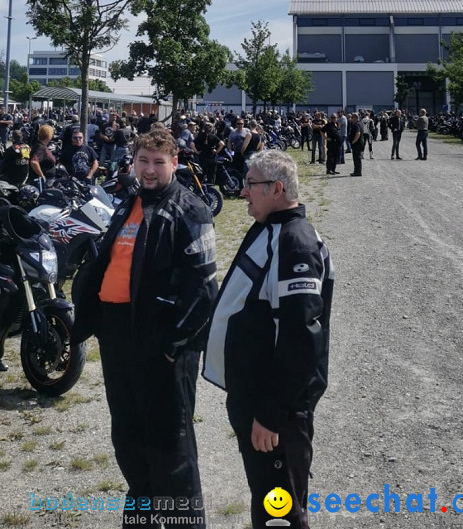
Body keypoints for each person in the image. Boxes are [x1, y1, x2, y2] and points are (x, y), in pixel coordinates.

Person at [71, 131, 217, 528]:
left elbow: (204, 292)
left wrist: (173, 345)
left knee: (172, 450)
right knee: (129, 441)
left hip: (163, 346)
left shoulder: (191, 209)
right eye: (143, 161)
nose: (149, 170)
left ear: (174, 163)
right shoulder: (130, 200)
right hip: (120, 339)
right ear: (133, 161)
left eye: (158, 162)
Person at [203, 150, 334, 529]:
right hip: (256, 397)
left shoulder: (295, 243)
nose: (243, 192)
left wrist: (272, 415)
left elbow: (301, 338)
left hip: (276, 410)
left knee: (281, 510)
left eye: (250, 184)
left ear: (277, 189)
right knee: (267, 500)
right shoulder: (269, 227)